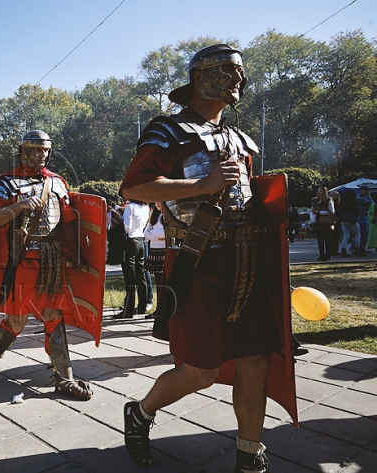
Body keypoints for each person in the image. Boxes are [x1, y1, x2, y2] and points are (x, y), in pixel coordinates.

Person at [119, 44, 288, 472]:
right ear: (199, 77)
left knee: (256, 359)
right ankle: (140, 413)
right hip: (198, 260)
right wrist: (200, 185)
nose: (239, 80)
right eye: (229, 71)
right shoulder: (167, 131)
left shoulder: (239, 138)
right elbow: (135, 189)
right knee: (200, 370)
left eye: (240, 73)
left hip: (247, 261)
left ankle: (250, 456)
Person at [0, 130, 94, 401]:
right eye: (36, 150)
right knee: (17, 319)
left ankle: (64, 379)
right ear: (23, 151)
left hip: (53, 258)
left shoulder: (58, 182)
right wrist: (19, 205)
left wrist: (77, 255)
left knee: (53, 315)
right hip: (23, 259)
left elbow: (68, 221)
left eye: (45, 150)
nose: (41, 155)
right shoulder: (6, 183)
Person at [115, 200, 150, 319]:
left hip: (130, 241)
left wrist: (118, 216)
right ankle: (142, 306)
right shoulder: (145, 206)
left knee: (129, 277)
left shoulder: (130, 207)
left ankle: (128, 310)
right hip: (140, 239)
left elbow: (126, 228)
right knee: (141, 275)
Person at [144, 202, 166, 317]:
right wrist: (156, 236)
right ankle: (158, 308)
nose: (158, 203)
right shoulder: (154, 214)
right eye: (156, 201)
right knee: (158, 282)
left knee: (164, 282)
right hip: (154, 252)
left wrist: (153, 234)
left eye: (160, 201)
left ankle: (164, 309)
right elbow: (145, 233)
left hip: (164, 252)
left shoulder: (168, 215)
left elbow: (167, 233)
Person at [311, 186, 335, 261]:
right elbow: (312, 209)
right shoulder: (314, 200)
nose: (318, 192)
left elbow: (332, 211)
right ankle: (321, 255)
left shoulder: (328, 200)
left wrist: (320, 212)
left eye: (320, 191)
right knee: (320, 240)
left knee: (327, 239)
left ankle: (327, 255)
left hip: (326, 222)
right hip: (318, 222)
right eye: (318, 191)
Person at [337, 190, 360, 257]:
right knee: (357, 235)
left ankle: (343, 250)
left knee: (346, 235)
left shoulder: (343, 201)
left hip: (343, 220)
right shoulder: (354, 201)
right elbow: (356, 210)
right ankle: (357, 250)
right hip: (352, 219)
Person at [355, 184, 373, 256]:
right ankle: (356, 247)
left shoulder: (365, 197)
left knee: (365, 234)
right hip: (361, 216)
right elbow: (370, 203)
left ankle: (362, 248)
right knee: (361, 233)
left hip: (366, 216)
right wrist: (369, 196)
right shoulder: (359, 197)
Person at [329, 191, 342, 257]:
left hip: (338, 221)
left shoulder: (339, 203)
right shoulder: (330, 203)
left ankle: (335, 250)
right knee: (331, 236)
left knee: (336, 236)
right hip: (332, 220)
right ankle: (331, 250)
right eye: (333, 195)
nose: (334, 197)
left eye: (336, 195)